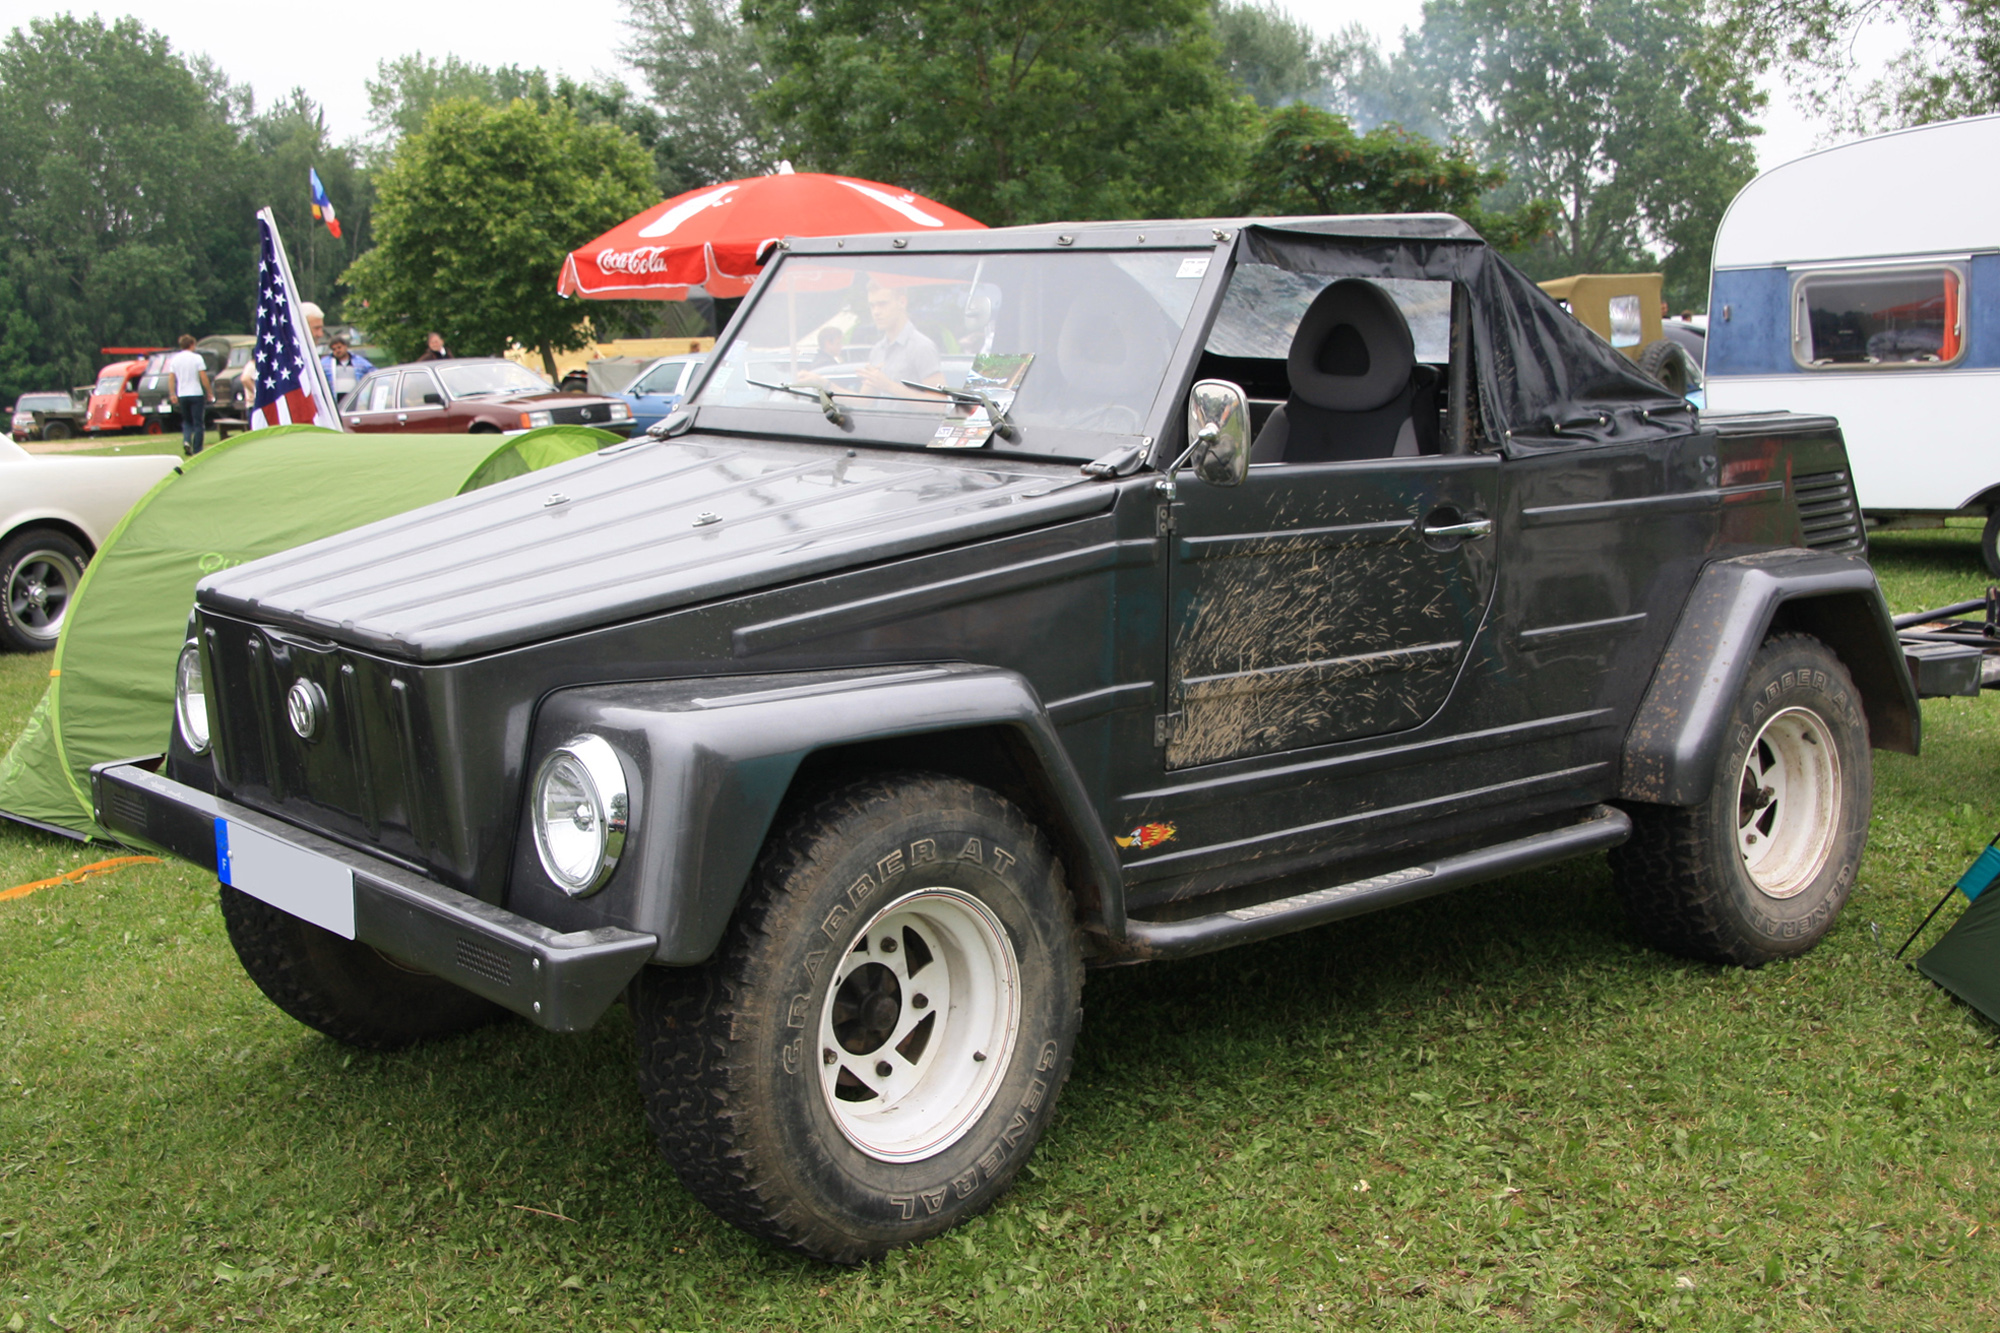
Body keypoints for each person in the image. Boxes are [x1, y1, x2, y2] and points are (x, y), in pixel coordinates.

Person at [856, 282, 941, 397]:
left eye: (882, 304)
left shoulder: (921, 347)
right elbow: (864, 402)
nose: (876, 312)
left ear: (902, 302)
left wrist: (889, 386)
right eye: (872, 305)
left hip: (913, 416)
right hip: (882, 415)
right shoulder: (877, 350)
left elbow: (940, 403)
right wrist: (825, 386)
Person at [163, 333, 211, 455]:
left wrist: (172, 393)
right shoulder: (197, 358)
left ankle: (186, 440)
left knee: (187, 421)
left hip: (182, 393)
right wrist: (209, 392)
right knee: (198, 423)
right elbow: (203, 377)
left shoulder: (175, 359)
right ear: (191, 344)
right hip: (196, 393)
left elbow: (171, 378)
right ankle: (197, 448)